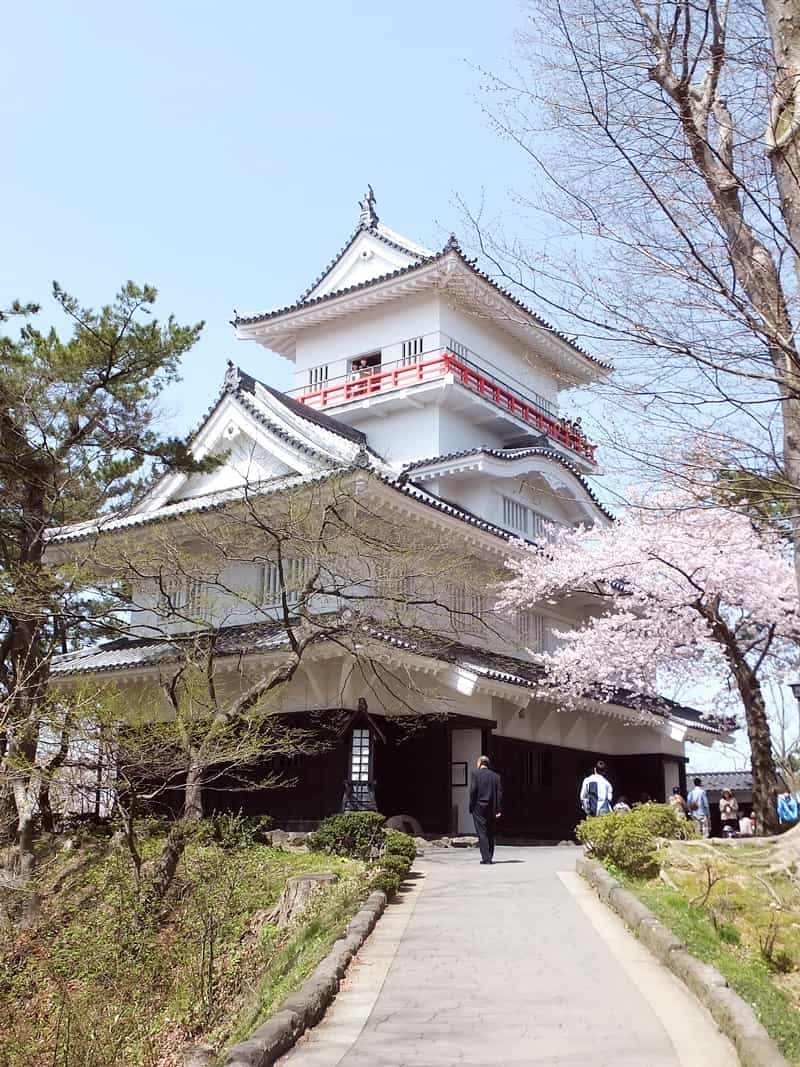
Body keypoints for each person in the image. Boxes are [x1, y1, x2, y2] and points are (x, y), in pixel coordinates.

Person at [468, 755, 503, 864]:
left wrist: (471, 806)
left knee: (482, 832)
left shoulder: (475, 774)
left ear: (479, 763)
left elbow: (473, 791)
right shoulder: (496, 776)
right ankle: (490, 856)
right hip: (491, 807)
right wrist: (498, 809)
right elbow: (499, 793)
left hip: (479, 806)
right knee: (490, 832)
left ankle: (486, 858)